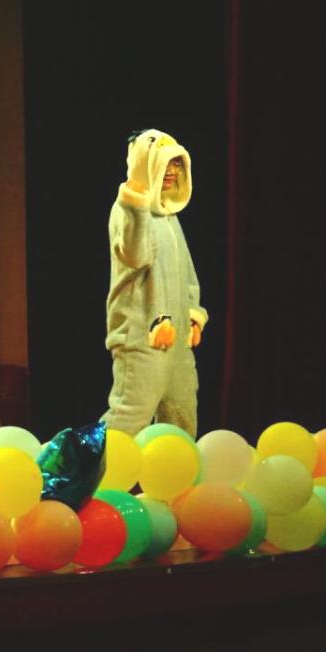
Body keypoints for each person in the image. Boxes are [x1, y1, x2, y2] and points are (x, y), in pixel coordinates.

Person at [102, 130, 204, 435]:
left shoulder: (170, 216)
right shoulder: (126, 210)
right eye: (165, 162)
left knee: (182, 417)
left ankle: (176, 468)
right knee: (127, 418)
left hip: (177, 343)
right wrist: (136, 201)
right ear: (145, 164)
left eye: (177, 163)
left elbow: (187, 273)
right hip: (141, 339)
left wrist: (193, 315)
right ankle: (77, 464)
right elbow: (137, 256)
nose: (172, 171)